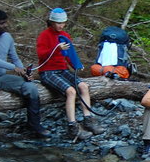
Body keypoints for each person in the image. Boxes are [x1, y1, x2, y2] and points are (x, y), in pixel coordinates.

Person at [0, 9, 49, 152]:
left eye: (5, 22)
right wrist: (13, 68)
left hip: (2, 77)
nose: (5, 25)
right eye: (1, 23)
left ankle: (35, 125)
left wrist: (24, 72)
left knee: (31, 88)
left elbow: (14, 57)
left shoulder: (7, 37)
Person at [35, 8, 104, 140]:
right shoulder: (44, 35)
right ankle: (73, 126)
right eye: (57, 23)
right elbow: (41, 55)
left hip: (63, 70)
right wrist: (56, 49)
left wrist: (76, 65)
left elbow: (69, 54)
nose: (60, 26)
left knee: (83, 86)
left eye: (63, 23)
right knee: (71, 91)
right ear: (51, 22)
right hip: (47, 71)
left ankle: (88, 120)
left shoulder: (65, 35)